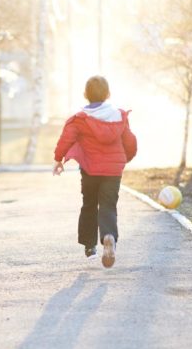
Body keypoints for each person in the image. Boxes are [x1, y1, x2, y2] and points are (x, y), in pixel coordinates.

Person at [52, 76, 137, 268]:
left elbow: (66, 139)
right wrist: (125, 158)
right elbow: (130, 141)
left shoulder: (80, 119)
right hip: (113, 170)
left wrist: (59, 159)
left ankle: (90, 247)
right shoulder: (119, 116)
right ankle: (108, 236)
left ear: (85, 95)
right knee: (108, 205)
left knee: (89, 204)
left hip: (90, 170)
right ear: (108, 94)